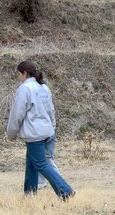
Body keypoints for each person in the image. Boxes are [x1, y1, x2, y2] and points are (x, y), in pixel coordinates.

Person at [6, 60, 75, 200]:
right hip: (47, 131)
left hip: (34, 134)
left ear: (24, 73)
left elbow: (17, 113)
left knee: (41, 164)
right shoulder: (44, 88)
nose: (19, 77)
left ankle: (65, 190)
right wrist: (52, 129)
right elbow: (51, 111)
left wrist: (11, 133)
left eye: (19, 74)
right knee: (31, 164)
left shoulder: (25, 89)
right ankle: (29, 196)